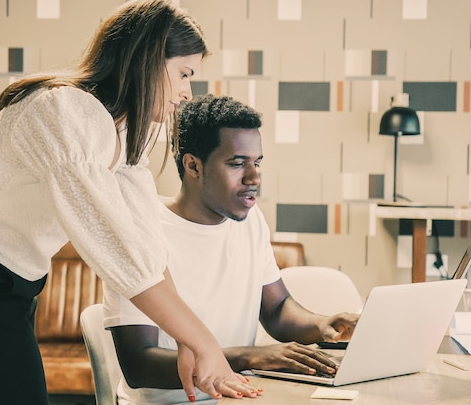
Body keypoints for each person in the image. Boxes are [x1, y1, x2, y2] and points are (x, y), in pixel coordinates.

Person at [0, 0, 255, 405]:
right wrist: (202, 341)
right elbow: (112, 246)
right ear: (148, 60)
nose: (187, 92)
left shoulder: (121, 133)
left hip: (8, 288)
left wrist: (189, 338)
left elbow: (144, 244)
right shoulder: (64, 112)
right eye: (184, 73)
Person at [103, 94, 360, 405]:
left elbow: (277, 310)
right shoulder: (139, 231)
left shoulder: (251, 222)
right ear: (193, 165)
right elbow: (139, 365)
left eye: (257, 163)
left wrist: (323, 324)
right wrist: (251, 357)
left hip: (238, 397)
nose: (254, 177)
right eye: (238, 163)